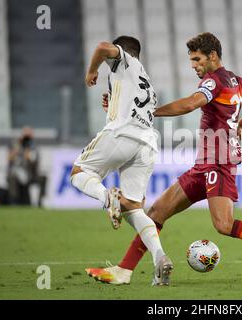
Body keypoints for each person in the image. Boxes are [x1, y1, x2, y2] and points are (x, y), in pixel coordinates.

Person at [94, 32, 242, 285]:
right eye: (191, 60)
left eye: (197, 59)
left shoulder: (214, 81)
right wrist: (241, 123)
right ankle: (124, 270)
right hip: (204, 165)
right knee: (156, 212)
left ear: (213, 56)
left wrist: (147, 113)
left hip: (219, 163)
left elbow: (189, 104)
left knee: (224, 225)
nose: (193, 65)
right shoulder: (235, 81)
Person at [71, 35, 173, 286]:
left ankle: (108, 199)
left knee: (78, 172)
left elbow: (101, 47)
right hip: (146, 144)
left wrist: (92, 71)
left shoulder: (124, 60)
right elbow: (132, 107)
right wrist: (112, 103)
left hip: (121, 135)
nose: (108, 60)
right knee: (133, 209)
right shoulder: (145, 81)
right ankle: (160, 259)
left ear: (125, 51)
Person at [7, 126, 46, 206]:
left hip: (31, 173)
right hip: (17, 174)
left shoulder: (34, 147)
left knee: (43, 177)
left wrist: (28, 153)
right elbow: (9, 158)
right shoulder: (16, 145)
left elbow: (34, 161)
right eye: (25, 136)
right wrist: (17, 149)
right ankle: (14, 202)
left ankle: (40, 201)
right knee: (12, 177)